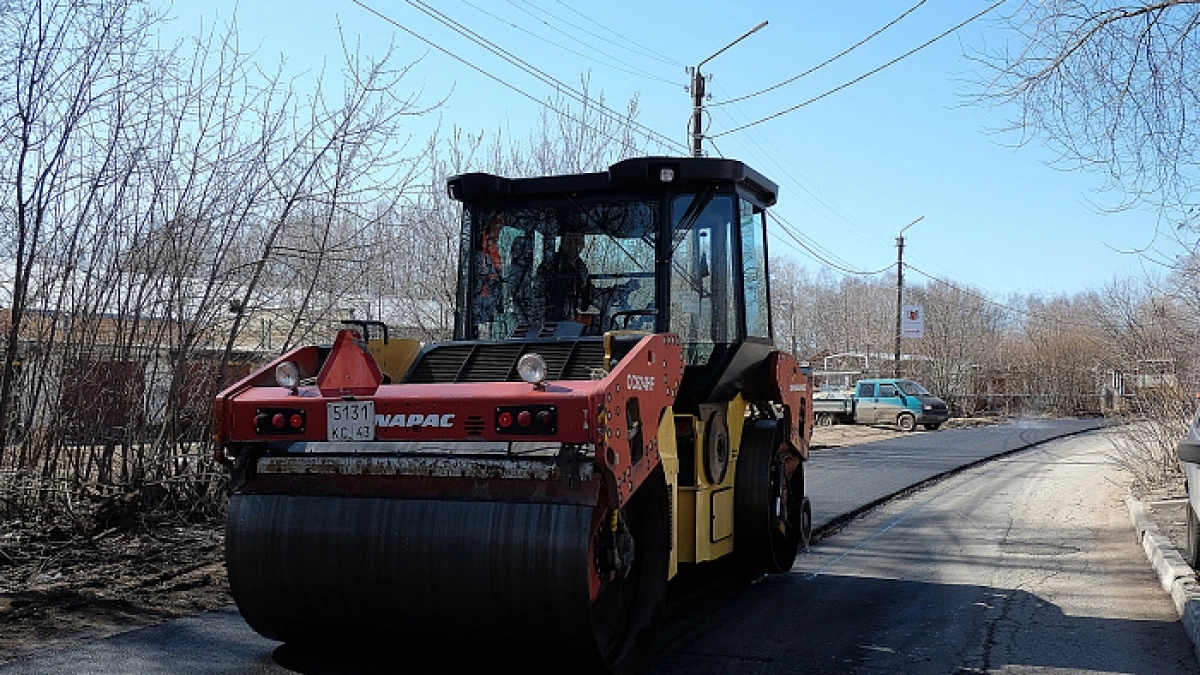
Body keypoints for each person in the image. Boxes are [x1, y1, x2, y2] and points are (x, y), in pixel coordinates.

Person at [537, 231, 592, 320]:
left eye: (577, 241)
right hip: (551, 324)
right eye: (569, 241)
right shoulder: (550, 266)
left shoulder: (582, 268)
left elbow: (584, 301)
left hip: (572, 322)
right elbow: (538, 297)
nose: (573, 245)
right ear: (562, 243)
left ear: (583, 245)